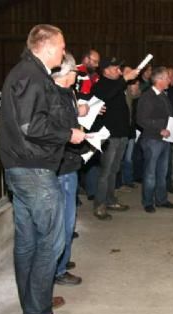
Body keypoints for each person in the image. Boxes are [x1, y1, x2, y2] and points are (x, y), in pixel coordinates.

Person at [0, 24, 85, 314]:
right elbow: (30, 126)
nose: (64, 52)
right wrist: (69, 133)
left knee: (28, 240)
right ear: (47, 47)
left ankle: (34, 299)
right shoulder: (31, 75)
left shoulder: (27, 72)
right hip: (33, 168)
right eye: (62, 47)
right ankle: (37, 312)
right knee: (52, 239)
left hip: (22, 166)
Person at [51, 53, 89, 286]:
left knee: (66, 219)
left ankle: (61, 260)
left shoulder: (64, 94)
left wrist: (79, 112)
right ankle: (58, 269)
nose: (77, 76)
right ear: (66, 74)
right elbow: (59, 128)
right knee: (64, 221)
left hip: (66, 163)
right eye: (75, 72)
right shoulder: (55, 96)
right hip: (62, 165)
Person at [90, 57, 139, 220]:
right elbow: (106, 96)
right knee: (105, 172)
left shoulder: (119, 85)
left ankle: (110, 200)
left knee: (114, 171)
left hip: (121, 134)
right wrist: (125, 79)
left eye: (119, 68)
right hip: (109, 137)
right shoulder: (100, 86)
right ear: (105, 71)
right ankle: (99, 205)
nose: (119, 70)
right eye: (115, 68)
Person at [136, 66, 173, 213]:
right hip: (152, 139)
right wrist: (160, 128)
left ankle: (161, 199)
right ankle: (148, 201)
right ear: (159, 80)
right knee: (150, 172)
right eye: (167, 77)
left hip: (164, 139)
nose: (169, 80)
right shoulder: (147, 97)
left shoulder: (162, 95)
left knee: (162, 172)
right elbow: (141, 119)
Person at [75, 49, 101, 201]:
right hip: (77, 122)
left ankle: (91, 190)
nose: (97, 65)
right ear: (86, 59)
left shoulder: (96, 77)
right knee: (76, 157)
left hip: (91, 121)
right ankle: (76, 193)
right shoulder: (76, 72)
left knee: (91, 156)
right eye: (94, 61)